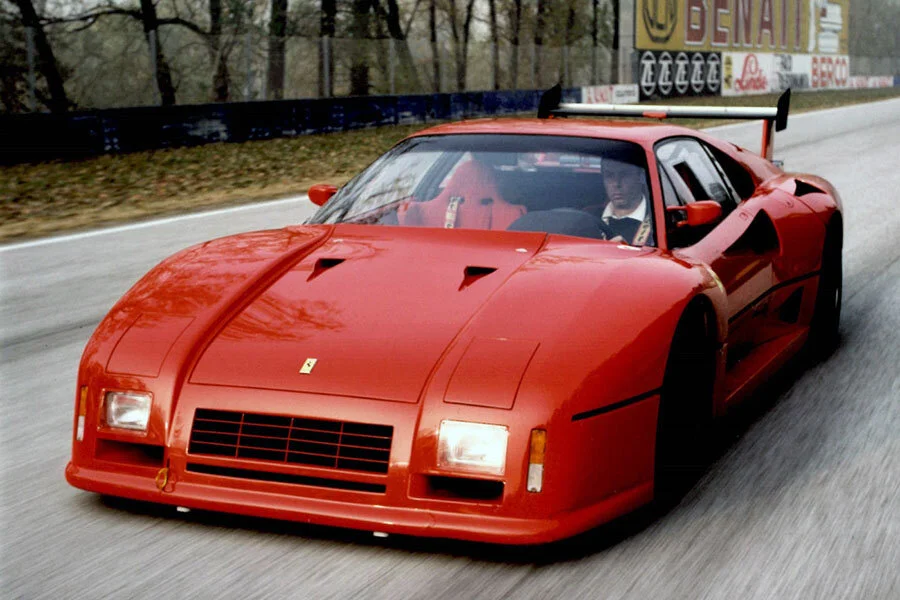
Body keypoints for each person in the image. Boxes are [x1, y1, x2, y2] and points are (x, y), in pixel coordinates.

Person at [586, 159, 653, 246]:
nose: (616, 183)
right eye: (609, 176)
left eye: (624, 175)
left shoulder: (659, 221)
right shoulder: (589, 217)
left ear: (641, 177)